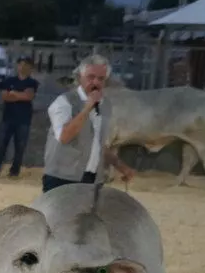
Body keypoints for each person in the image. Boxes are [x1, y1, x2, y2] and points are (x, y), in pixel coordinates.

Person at [42, 54, 135, 192]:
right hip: (62, 177)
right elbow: (64, 137)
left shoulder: (105, 105)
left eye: (101, 79)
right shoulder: (64, 102)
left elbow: (97, 144)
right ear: (80, 78)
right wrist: (87, 108)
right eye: (91, 77)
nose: (96, 83)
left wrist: (120, 166)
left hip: (92, 178)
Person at [0, 56, 38, 178]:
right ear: (17, 66)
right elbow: (5, 97)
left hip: (24, 119)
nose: (22, 67)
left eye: (26, 65)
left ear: (31, 68)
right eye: (20, 64)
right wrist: (20, 95)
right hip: (7, 117)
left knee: (20, 147)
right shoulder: (9, 80)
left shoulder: (32, 82)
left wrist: (14, 94)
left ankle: (14, 172)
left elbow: (29, 97)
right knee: (0, 145)